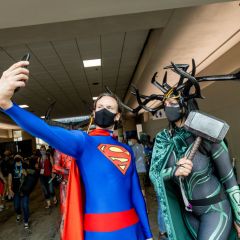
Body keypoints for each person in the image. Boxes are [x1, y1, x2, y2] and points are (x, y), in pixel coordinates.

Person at [0, 61, 153, 240]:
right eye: (100, 107)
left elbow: (135, 192)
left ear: (118, 115)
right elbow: (45, 130)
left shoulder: (126, 150)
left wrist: (148, 234)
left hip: (133, 230)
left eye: (110, 108)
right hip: (98, 232)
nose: (104, 110)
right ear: (94, 113)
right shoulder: (83, 142)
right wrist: (7, 105)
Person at [128, 62, 240, 240]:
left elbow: (229, 179)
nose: (168, 107)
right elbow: (155, 174)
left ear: (184, 104)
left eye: (173, 102)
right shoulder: (164, 138)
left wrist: (239, 217)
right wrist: (174, 171)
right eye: (165, 103)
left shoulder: (207, 134)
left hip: (216, 209)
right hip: (187, 213)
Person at [52, 150, 75, 239]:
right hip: (65, 184)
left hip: (78, 183)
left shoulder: (76, 144)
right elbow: (56, 166)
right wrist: (69, 172)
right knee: (65, 213)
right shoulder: (59, 149)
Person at [8, 155, 29, 229]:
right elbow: (10, 177)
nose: (17, 157)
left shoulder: (25, 165)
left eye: (18, 156)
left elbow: (29, 175)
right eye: (16, 156)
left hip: (25, 189)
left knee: (25, 205)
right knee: (16, 206)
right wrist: (9, 188)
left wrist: (25, 172)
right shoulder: (11, 166)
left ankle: (26, 221)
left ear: (21, 158)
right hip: (16, 190)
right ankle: (19, 213)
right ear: (14, 158)